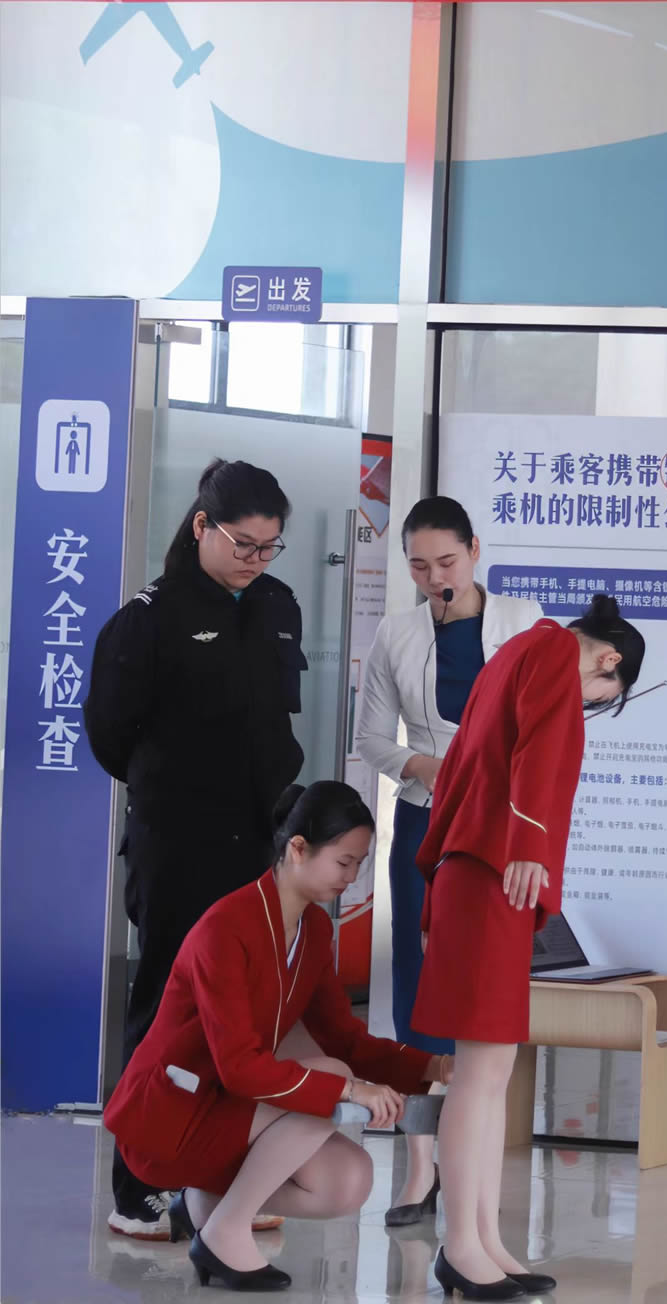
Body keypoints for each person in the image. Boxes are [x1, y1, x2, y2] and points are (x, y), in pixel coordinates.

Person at [104, 781, 454, 1292]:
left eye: (360, 864)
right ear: (297, 848)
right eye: (343, 861)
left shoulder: (314, 931)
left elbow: (344, 1038)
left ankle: (205, 1204)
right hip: (173, 1117)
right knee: (331, 1078)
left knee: (348, 1181)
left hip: (229, 1110)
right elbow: (239, 1067)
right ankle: (224, 1232)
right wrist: (349, 1088)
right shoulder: (226, 928)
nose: (352, 877)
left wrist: (432, 1065)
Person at [85, 458, 306, 1239]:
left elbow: (279, 721)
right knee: (167, 1013)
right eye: (243, 544)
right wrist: (178, 786)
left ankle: (221, 1182)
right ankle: (138, 1187)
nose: (256, 560)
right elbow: (110, 737)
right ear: (202, 525)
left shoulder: (277, 605)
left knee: (242, 1020)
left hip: (259, 844)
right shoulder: (149, 618)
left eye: (270, 546)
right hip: (178, 842)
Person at [412, 595, 646, 1300]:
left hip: (480, 869)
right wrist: (529, 844)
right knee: (481, 1076)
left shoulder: (517, 650)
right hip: (494, 869)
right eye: (605, 695)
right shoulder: (548, 652)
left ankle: (482, 1240)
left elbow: (468, 763)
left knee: (490, 1075)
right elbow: (538, 749)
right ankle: (462, 1247)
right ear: (609, 659)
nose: (592, 704)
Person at [356, 496, 542, 1226]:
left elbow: (542, 732)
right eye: (419, 566)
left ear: (474, 551)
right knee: (419, 983)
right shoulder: (396, 632)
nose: (436, 578)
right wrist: (431, 768)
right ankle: (420, 1167)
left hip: (495, 833)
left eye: (447, 562)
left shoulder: (523, 621)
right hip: (425, 821)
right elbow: (373, 739)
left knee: (482, 986)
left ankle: (471, 1160)